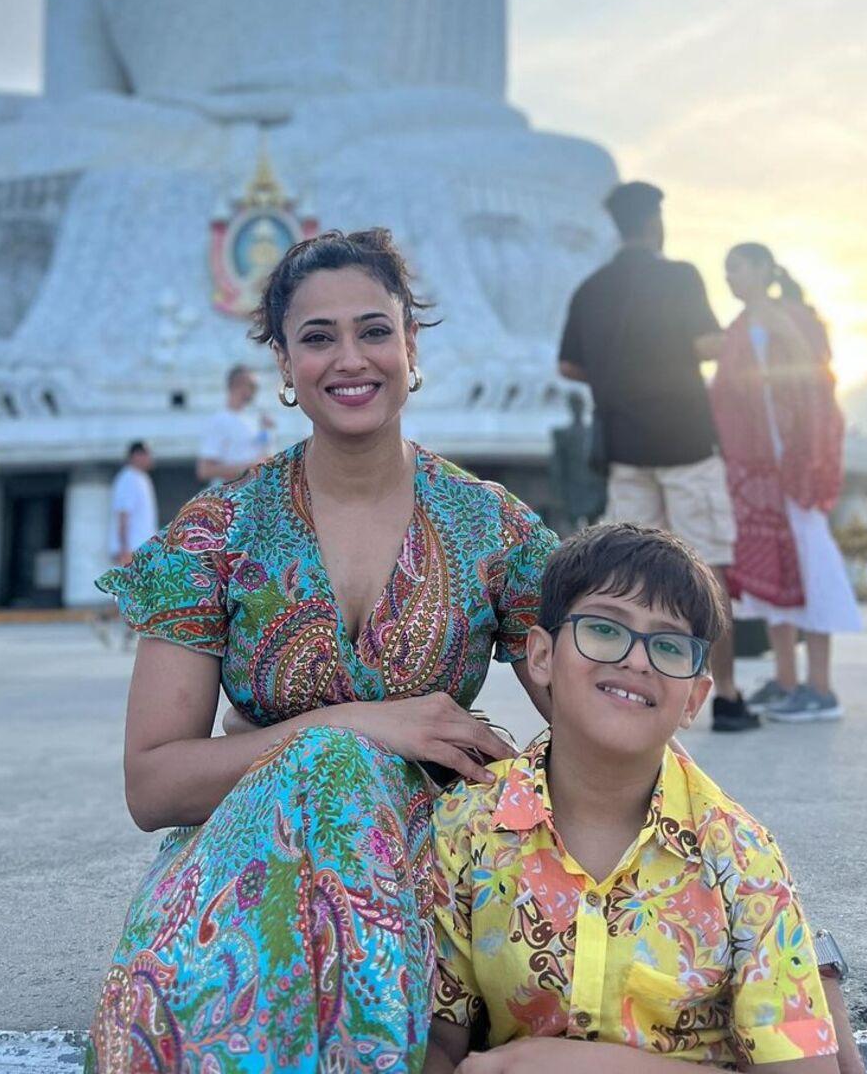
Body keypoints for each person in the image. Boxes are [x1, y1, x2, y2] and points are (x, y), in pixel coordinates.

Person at [86, 228, 561, 1073]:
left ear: (411, 347)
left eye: (374, 330)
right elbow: (153, 783)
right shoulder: (218, 533)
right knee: (335, 765)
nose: (352, 358)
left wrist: (733, 887)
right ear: (283, 365)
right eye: (318, 336)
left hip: (438, 863)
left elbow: (599, 726)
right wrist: (360, 725)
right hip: (254, 862)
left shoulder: (492, 526)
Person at [425, 524, 858, 1073]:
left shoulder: (740, 859)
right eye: (605, 629)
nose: (636, 659)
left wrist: (561, 1064)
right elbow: (439, 1042)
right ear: (540, 656)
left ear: (695, 697)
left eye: (669, 645)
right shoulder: (468, 826)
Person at [558, 181, 757, 732]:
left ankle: (626, 696)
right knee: (709, 565)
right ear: (655, 224)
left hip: (625, 445)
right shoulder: (679, 277)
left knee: (628, 573)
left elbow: (569, 367)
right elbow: (706, 345)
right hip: (685, 441)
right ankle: (729, 695)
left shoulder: (592, 288)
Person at [711, 245, 861, 723]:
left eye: (736, 268)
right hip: (756, 471)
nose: (730, 278)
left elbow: (818, 378)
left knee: (812, 562)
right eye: (726, 271)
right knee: (772, 570)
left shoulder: (795, 316)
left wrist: (784, 334)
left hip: (796, 463)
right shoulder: (736, 329)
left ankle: (820, 687)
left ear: (761, 269)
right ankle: (787, 680)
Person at [92, 441, 158, 647]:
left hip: (142, 548)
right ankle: (107, 621)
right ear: (135, 455)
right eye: (146, 454)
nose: (150, 458)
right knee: (138, 592)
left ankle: (126, 631)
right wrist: (123, 549)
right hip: (131, 548)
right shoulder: (128, 479)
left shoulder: (142, 479)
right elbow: (123, 514)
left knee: (140, 592)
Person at [195, 364, 272, 485]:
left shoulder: (253, 418)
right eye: (252, 386)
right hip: (228, 497)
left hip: (252, 494)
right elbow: (205, 470)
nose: (255, 391)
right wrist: (249, 468)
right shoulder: (219, 421)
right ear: (237, 385)